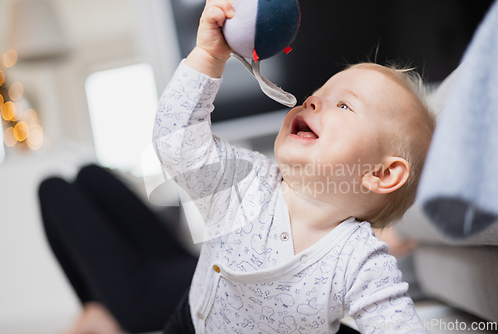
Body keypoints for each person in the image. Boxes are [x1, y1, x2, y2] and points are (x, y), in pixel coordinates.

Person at [153, 0, 436, 333]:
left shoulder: (359, 259)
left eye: (344, 105)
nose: (312, 101)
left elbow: (395, 322)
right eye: (318, 94)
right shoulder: (246, 183)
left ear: (381, 174)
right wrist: (210, 57)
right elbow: (177, 141)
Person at [38, 164, 198, 334]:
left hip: (162, 292)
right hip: (195, 267)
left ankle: (96, 308)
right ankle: (97, 308)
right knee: (90, 174)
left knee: (51, 188)